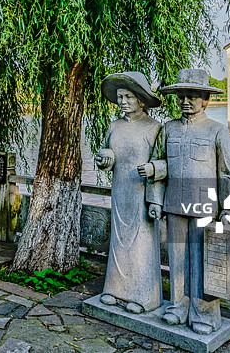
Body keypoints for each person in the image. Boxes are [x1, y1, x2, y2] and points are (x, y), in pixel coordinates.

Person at [138, 68, 230, 335]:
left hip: (205, 206)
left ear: (205, 100)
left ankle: (204, 313)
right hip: (174, 203)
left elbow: (228, 173)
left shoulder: (217, 131)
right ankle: (177, 306)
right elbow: (160, 165)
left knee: (203, 260)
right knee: (177, 258)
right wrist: (155, 199)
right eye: (182, 95)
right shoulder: (169, 129)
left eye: (192, 96)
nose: (185, 101)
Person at [94, 72, 163, 314]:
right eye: (120, 97)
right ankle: (114, 290)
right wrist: (104, 160)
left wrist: (155, 198)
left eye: (128, 97)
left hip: (141, 194)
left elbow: (162, 163)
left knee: (142, 243)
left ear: (141, 100)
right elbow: (106, 157)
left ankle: (143, 296)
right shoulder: (114, 127)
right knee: (119, 242)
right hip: (120, 190)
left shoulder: (154, 128)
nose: (122, 101)